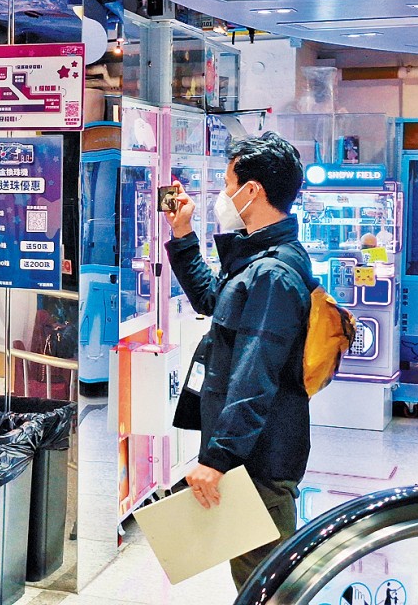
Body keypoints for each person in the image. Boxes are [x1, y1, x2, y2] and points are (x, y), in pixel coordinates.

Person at [162, 132, 314, 591]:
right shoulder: (257, 260)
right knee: (255, 582)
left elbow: (255, 375)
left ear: (252, 190)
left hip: (260, 463)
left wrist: (218, 458)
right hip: (251, 458)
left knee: (265, 587)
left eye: (229, 184)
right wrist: (182, 234)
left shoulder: (273, 273)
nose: (224, 195)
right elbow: (213, 300)